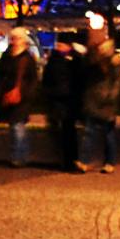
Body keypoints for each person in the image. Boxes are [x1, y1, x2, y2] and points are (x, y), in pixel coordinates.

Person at [74, 19, 120, 172]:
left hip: (105, 101)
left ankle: (110, 162)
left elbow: (116, 81)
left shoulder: (111, 60)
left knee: (107, 134)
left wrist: (111, 97)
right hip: (93, 99)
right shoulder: (91, 56)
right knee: (90, 132)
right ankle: (85, 161)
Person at [0, 29, 41, 165]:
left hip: (22, 96)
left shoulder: (27, 59)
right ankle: (20, 154)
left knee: (17, 126)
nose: (15, 41)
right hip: (9, 95)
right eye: (13, 38)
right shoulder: (7, 57)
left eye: (18, 38)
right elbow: (0, 76)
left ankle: (19, 156)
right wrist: (1, 92)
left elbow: (32, 79)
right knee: (15, 126)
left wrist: (26, 93)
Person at [42, 26, 85, 170]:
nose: (60, 47)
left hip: (68, 101)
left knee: (69, 132)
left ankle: (70, 160)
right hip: (60, 100)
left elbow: (80, 76)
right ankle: (66, 160)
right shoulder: (56, 61)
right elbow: (47, 80)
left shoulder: (71, 60)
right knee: (63, 133)